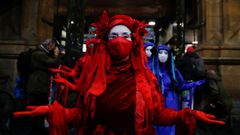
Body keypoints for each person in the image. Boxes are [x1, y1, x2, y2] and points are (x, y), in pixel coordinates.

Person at [14, 11, 224, 135]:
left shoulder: (147, 79)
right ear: (106, 41)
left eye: (125, 35)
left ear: (134, 41)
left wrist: (185, 114)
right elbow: (83, 116)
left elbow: (156, 115)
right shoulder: (95, 77)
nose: (120, 40)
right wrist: (57, 112)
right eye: (114, 35)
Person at [150, 44, 206, 135]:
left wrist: (195, 84)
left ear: (169, 56)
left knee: (170, 126)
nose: (163, 55)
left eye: (165, 53)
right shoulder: (151, 70)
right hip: (155, 103)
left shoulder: (173, 71)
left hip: (171, 102)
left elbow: (181, 85)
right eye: (160, 52)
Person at [23, 39, 63, 135]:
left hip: (40, 87)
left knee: (40, 111)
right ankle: (35, 131)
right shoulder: (38, 54)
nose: (51, 48)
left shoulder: (42, 54)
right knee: (36, 111)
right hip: (37, 87)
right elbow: (53, 63)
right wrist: (56, 55)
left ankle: (37, 130)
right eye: (51, 46)